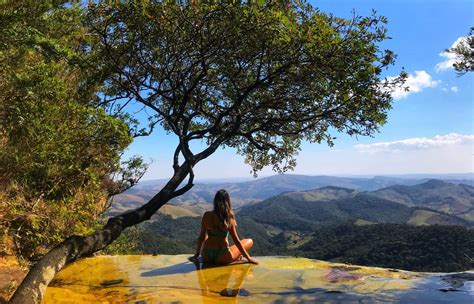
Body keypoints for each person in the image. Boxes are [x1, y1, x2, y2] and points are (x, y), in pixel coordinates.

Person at [190, 189, 258, 265]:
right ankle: (238, 256)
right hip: (223, 256)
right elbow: (236, 241)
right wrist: (249, 258)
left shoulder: (207, 215)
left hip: (206, 255)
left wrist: (197, 254)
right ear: (228, 202)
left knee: (207, 237)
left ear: (215, 201)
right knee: (249, 241)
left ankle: (238, 256)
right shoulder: (229, 217)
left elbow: (202, 237)